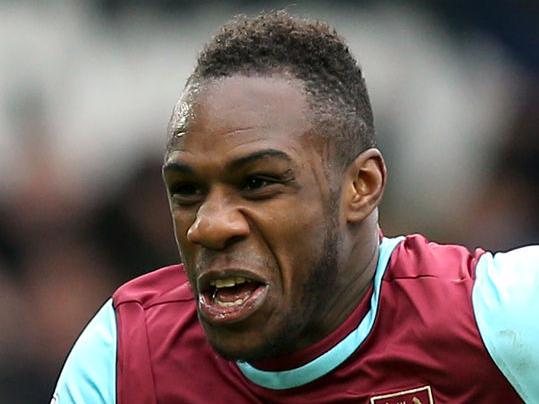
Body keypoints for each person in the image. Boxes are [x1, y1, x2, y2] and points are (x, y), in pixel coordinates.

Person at [52, 11, 538, 403]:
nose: (209, 226)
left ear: (360, 186)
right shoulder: (125, 362)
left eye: (258, 183)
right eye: (187, 191)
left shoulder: (497, 319)